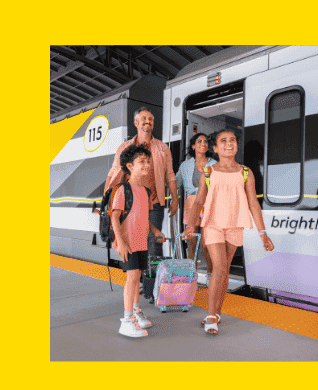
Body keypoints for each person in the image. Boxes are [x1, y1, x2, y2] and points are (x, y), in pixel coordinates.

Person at [182, 129, 275, 335]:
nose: (228, 143)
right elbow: (198, 202)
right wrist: (191, 225)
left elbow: (253, 203)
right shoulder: (208, 172)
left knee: (223, 274)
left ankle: (216, 313)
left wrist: (263, 233)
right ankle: (210, 316)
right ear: (215, 148)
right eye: (223, 141)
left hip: (235, 225)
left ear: (236, 145)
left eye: (232, 140)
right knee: (220, 268)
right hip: (213, 225)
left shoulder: (245, 172)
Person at [105, 107, 178, 262]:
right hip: (130, 204)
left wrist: (175, 199)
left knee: (153, 244)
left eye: (150, 119)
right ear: (136, 122)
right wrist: (107, 200)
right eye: (143, 118)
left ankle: (150, 285)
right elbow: (112, 174)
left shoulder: (162, 148)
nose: (147, 121)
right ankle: (136, 280)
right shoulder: (124, 148)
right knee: (132, 244)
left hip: (154, 204)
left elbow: (170, 176)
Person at [111, 144, 166, 338]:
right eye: (142, 161)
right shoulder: (123, 190)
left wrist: (156, 230)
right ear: (129, 166)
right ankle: (126, 321)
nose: (147, 165)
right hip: (128, 242)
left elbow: (144, 217)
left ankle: (135, 311)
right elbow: (114, 217)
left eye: (148, 162)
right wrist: (121, 242)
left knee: (137, 278)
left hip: (141, 241)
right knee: (132, 278)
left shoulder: (145, 191)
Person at [175, 133, 217, 276]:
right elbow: (176, 183)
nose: (203, 144)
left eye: (205, 141)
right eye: (199, 142)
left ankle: (211, 276)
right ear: (193, 146)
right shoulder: (185, 165)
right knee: (192, 243)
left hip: (208, 203)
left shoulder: (213, 164)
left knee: (206, 243)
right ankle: (190, 276)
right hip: (191, 205)